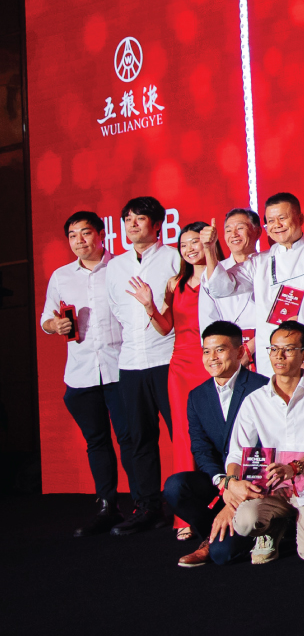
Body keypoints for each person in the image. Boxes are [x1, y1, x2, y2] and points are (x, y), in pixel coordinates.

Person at [130, 221, 222, 536]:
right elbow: (165, 326)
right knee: (183, 436)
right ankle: (185, 516)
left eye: (195, 242)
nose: (189, 249)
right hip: (181, 367)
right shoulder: (176, 283)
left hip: (216, 363)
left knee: (220, 433)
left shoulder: (222, 276)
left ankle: (224, 507)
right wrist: (149, 306)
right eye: (184, 245)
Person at [220, 321, 304, 564]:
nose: (279, 356)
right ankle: (272, 528)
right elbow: (237, 452)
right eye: (274, 349)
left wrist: (294, 468)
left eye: (288, 349)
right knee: (245, 522)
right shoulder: (255, 400)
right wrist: (231, 482)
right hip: (270, 489)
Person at [41, 211, 125, 536]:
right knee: (96, 442)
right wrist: (55, 324)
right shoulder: (61, 276)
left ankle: (146, 505)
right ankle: (107, 506)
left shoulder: (120, 267)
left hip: (120, 369)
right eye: (73, 236)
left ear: (102, 234)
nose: (79, 241)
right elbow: (46, 319)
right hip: (81, 373)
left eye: (85, 233)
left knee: (131, 439)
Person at [161, 321, 269, 566]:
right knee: (175, 486)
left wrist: (236, 493)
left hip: (255, 484)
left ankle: (255, 532)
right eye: (206, 351)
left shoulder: (262, 387)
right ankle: (211, 534)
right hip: (223, 483)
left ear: (240, 352)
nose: (212, 358)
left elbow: (266, 448)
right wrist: (223, 483)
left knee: (222, 555)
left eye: (220, 350)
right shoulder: (197, 396)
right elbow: (201, 449)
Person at [105, 195, 179, 535]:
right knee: (138, 438)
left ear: (157, 224)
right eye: (128, 219)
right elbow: (116, 309)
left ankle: (192, 506)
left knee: (181, 433)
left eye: (140, 218)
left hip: (168, 358)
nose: (132, 225)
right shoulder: (116, 266)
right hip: (131, 362)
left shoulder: (174, 257)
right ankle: (148, 506)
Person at [203, 191, 304, 375]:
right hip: (273, 357)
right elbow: (221, 288)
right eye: (271, 221)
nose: (277, 225)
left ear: (300, 218)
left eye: (282, 218)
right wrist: (209, 249)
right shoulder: (260, 262)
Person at [203, 210, 263, 331]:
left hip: (264, 338)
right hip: (226, 340)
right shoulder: (211, 270)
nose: (234, 234)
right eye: (228, 230)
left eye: (240, 228)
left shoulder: (267, 264)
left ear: (257, 231)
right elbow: (208, 317)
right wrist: (209, 248)